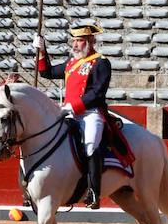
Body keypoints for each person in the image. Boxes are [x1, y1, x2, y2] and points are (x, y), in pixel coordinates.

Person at [34, 23, 112, 209]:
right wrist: (42, 51)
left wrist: (73, 106)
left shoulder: (101, 62)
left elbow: (97, 93)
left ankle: (93, 192)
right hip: (70, 112)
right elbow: (47, 73)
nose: (75, 44)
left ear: (90, 42)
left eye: (79, 41)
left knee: (90, 145)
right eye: (74, 40)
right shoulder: (71, 63)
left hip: (90, 113)